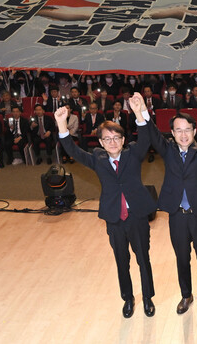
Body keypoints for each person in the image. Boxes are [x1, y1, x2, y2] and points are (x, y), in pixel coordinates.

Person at [54, 94, 157, 318]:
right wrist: (62, 124)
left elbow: (146, 138)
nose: (112, 142)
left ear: (123, 140)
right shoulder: (97, 159)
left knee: (143, 259)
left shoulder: (133, 154)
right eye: (107, 139)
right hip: (114, 218)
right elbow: (73, 151)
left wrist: (139, 112)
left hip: (137, 216)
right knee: (122, 261)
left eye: (116, 138)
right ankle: (128, 299)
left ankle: (148, 297)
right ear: (100, 142)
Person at [144, 90, 197, 314]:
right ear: (172, 132)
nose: (184, 134)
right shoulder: (167, 150)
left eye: (188, 130)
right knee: (182, 258)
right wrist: (141, 112)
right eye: (179, 130)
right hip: (177, 215)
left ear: (195, 131)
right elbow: (151, 132)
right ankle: (186, 295)